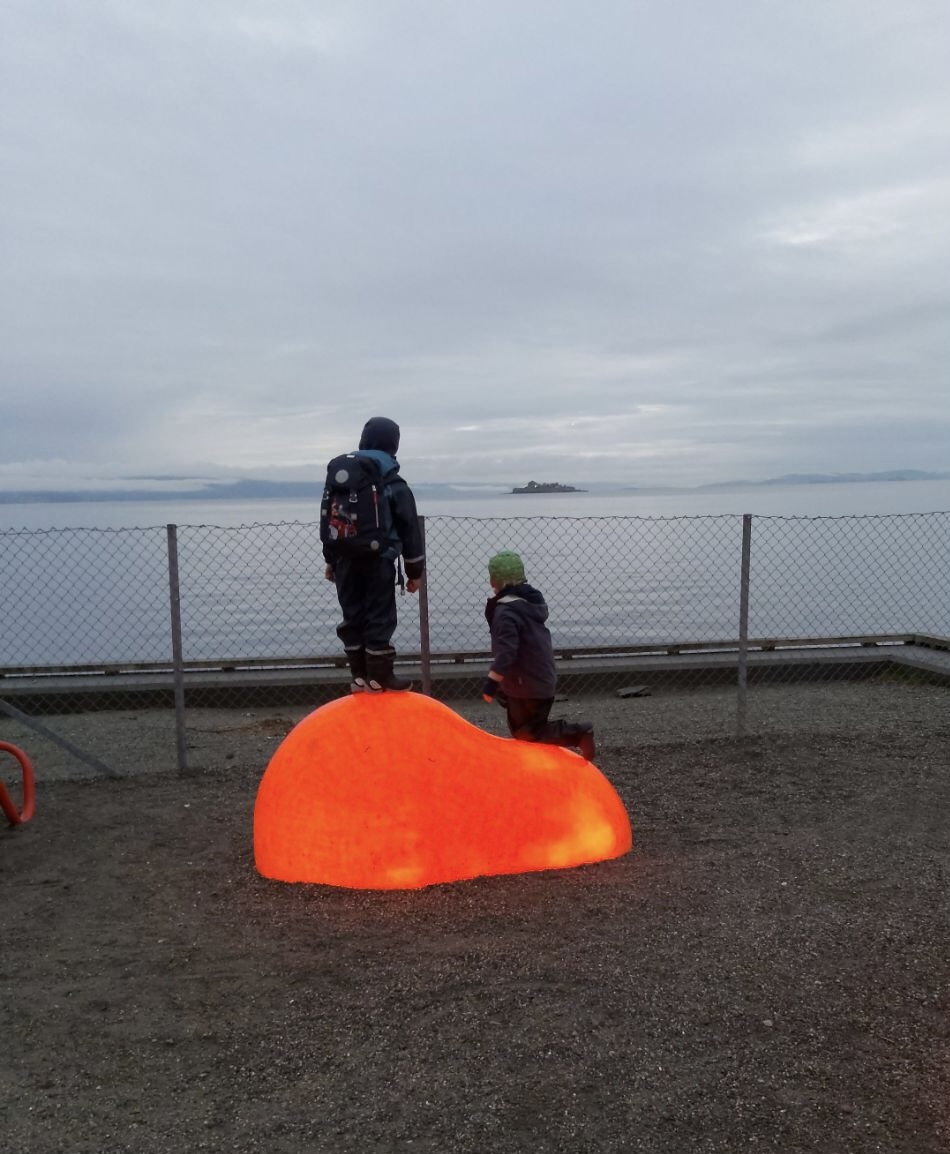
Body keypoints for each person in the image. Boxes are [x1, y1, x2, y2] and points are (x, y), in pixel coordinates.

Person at [322, 416, 425, 692]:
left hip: (344, 557)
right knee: (379, 615)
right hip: (378, 560)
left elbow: (328, 519)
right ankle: (380, 676)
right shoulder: (391, 478)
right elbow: (409, 528)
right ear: (394, 444)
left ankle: (358, 676)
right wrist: (415, 572)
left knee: (352, 615)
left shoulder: (342, 476)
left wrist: (331, 560)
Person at [480, 550, 596, 761]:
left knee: (529, 733)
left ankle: (579, 733)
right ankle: (531, 761)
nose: (491, 583)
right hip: (536, 677)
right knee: (523, 726)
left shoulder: (506, 612)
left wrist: (491, 683)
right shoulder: (528, 603)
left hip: (528, 684)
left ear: (497, 581)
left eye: (492, 578)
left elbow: (507, 653)